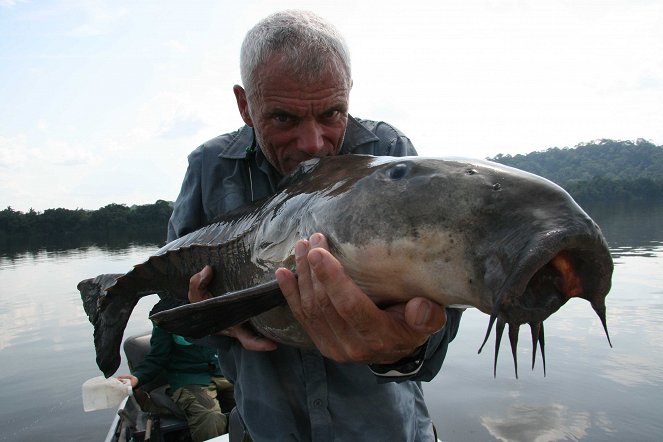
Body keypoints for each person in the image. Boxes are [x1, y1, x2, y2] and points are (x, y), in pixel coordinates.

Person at [167, 10, 463, 442]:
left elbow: (442, 310)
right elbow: (173, 296)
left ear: (348, 93)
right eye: (284, 118)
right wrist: (216, 323)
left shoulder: (390, 155)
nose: (313, 143)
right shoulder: (210, 168)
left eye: (332, 113)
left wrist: (409, 343)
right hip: (266, 428)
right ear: (245, 104)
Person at [118, 298, 236, 442]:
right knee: (210, 416)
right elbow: (157, 357)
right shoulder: (165, 315)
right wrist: (137, 377)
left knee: (258, 401)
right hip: (190, 379)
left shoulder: (220, 303)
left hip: (225, 373)